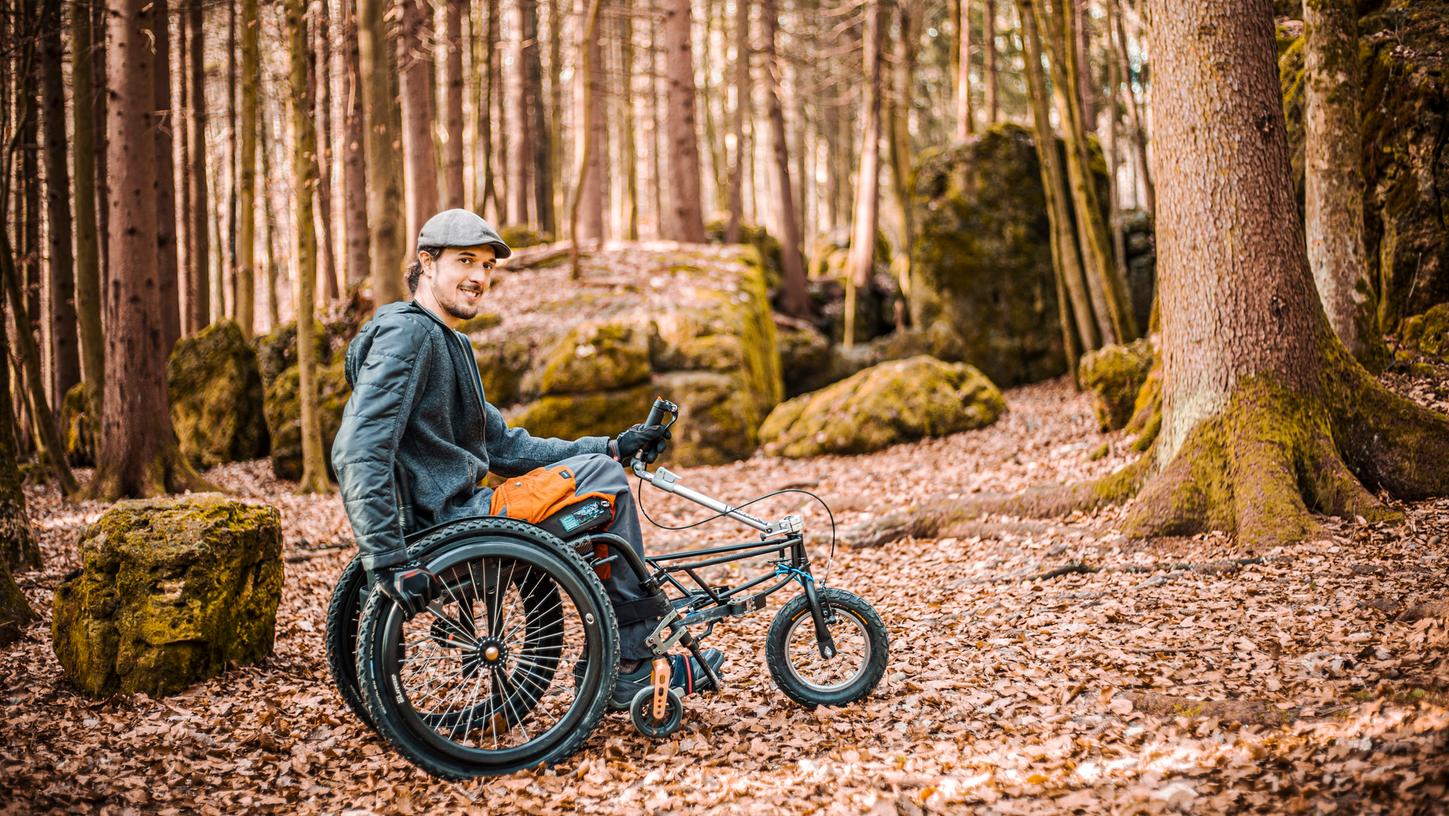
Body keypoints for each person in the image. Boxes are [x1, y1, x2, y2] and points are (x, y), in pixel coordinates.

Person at [331, 208, 723, 709]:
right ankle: (631, 661)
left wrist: (610, 446)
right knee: (604, 484)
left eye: (488, 267)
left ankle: (627, 647)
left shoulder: (446, 341)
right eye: (465, 261)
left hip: (463, 514)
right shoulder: (410, 336)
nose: (479, 277)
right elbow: (358, 447)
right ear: (427, 263)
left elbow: (505, 447)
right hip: (454, 525)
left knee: (603, 467)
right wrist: (386, 559)